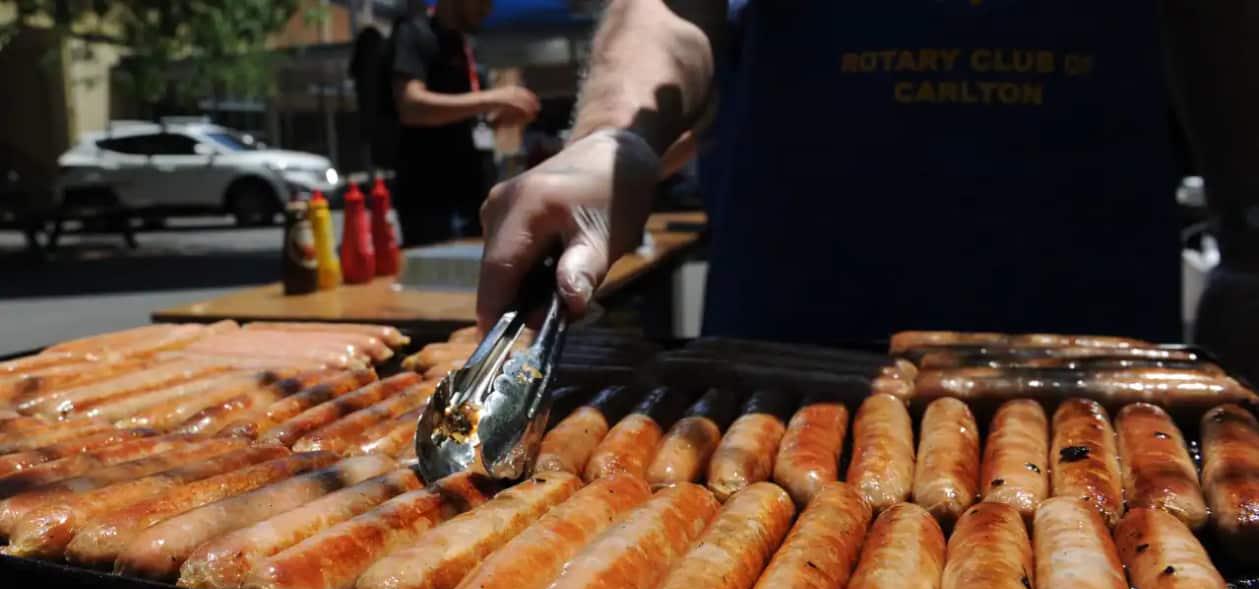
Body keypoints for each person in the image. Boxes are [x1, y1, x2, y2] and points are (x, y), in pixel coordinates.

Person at [475, 1, 1259, 378]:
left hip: (1087, 338)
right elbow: (671, 11)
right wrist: (613, 134)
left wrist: (1248, 229)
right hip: (787, 344)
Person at [383, 0, 540, 247]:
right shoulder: (414, 33)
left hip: (475, 191)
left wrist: (501, 117)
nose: (487, 10)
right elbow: (410, 106)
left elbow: (469, 116)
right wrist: (493, 98)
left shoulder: (467, 43)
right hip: (430, 196)